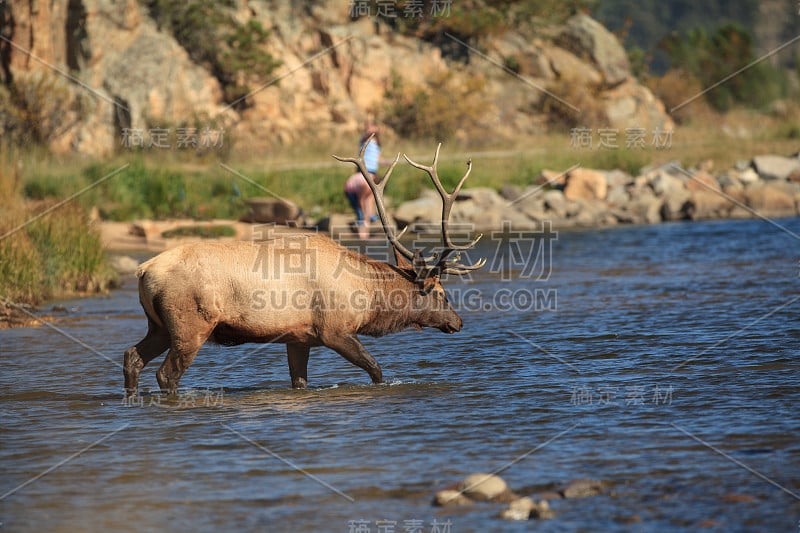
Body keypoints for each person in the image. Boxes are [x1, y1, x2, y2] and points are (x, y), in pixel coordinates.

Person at [344, 123, 382, 238]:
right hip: (364, 175)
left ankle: (366, 226)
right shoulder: (365, 141)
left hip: (368, 174)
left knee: (367, 204)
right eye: (368, 127)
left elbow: (379, 159)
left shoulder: (376, 144)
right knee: (363, 208)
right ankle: (366, 224)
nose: (369, 128)